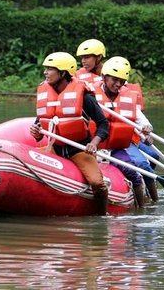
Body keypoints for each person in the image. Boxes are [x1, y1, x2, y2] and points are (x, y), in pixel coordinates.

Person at [29, 52, 109, 215]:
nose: (45, 73)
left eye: (50, 69)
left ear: (63, 73)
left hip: (79, 149)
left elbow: (103, 125)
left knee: (97, 183)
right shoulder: (45, 94)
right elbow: (39, 128)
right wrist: (36, 133)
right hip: (55, 148)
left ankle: (102, 217)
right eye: (46, 69)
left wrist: (93, 143)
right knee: (29, 164)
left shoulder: (84, 97)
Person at [93, 56, 159, 205]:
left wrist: (146, 130)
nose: (118, 84)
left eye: (121, 81)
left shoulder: (127, 98)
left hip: (118, 145)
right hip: (96, 143)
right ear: (104, 77)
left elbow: (142, 121)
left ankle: (148, 204)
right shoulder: (92, 95)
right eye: (114, 80)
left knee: (142, 165)